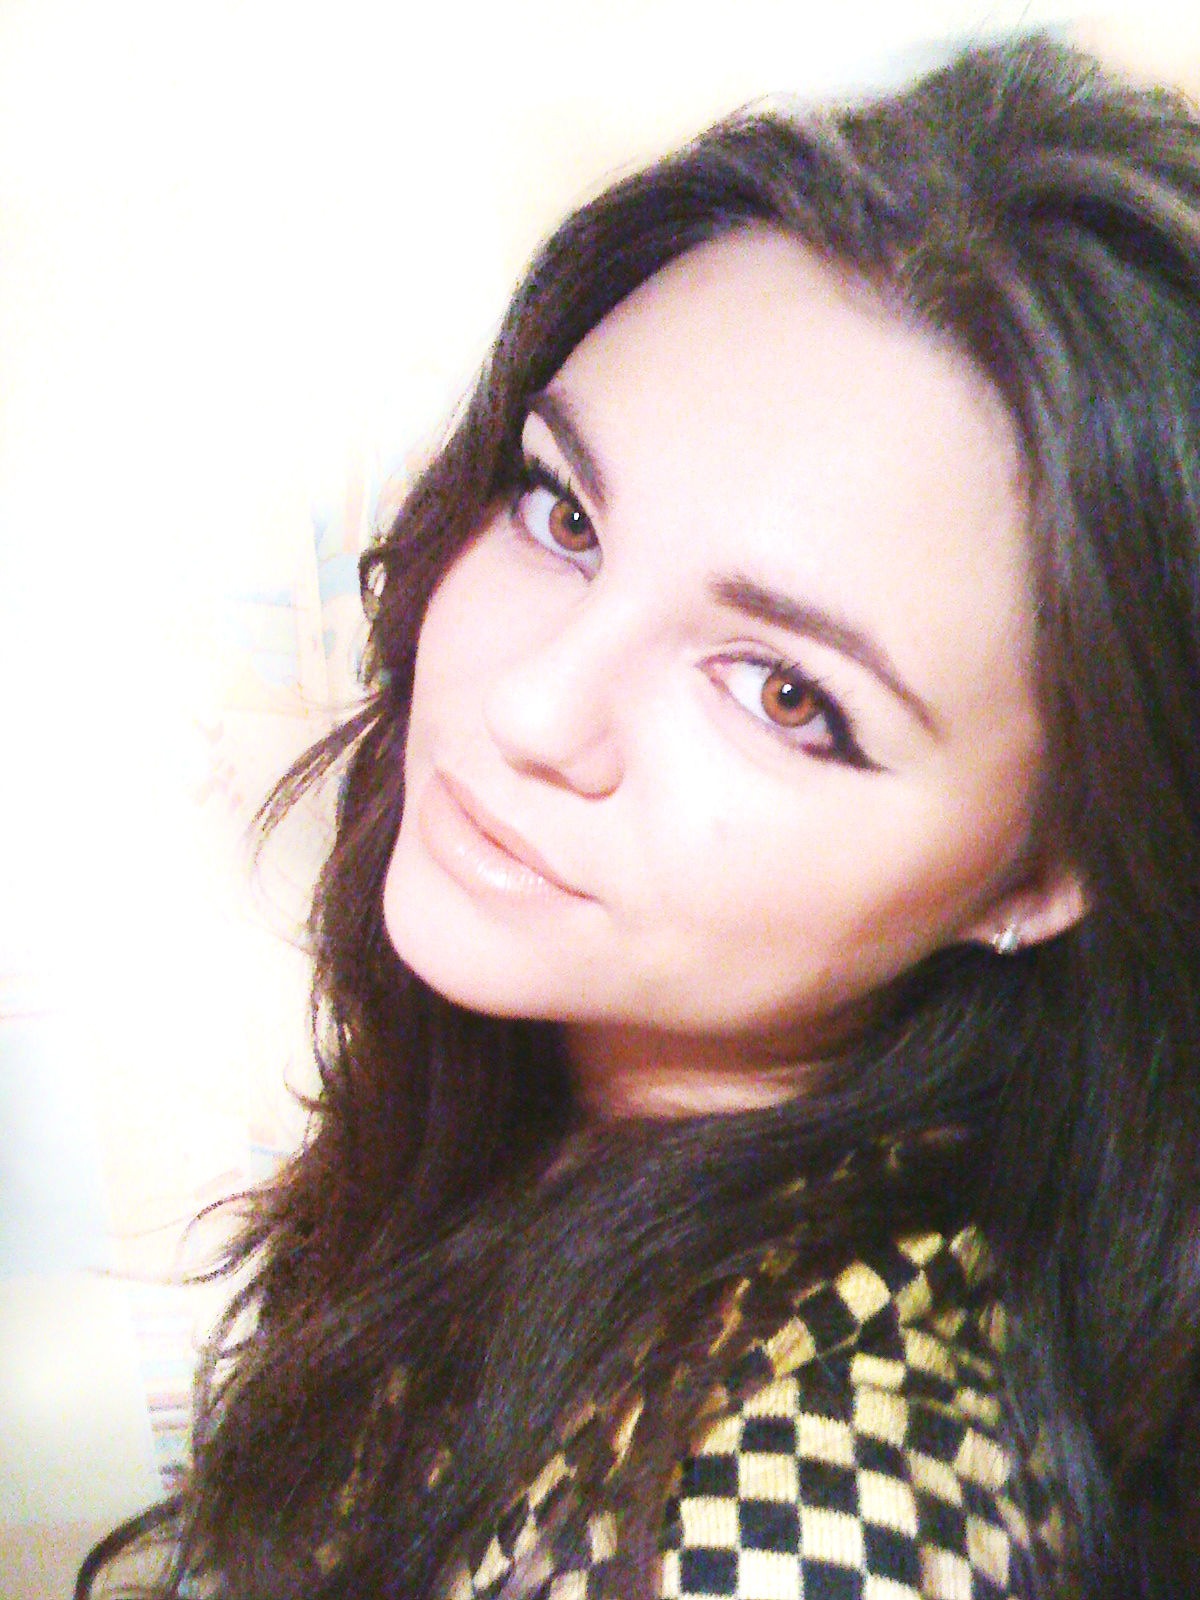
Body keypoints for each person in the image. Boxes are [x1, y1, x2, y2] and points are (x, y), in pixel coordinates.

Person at [79, 30, 1200, 1600]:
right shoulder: (574, 1110)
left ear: (1041, 871)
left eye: (786, 694)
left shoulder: (799, 1535)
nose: (532, 708)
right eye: (562, 513)